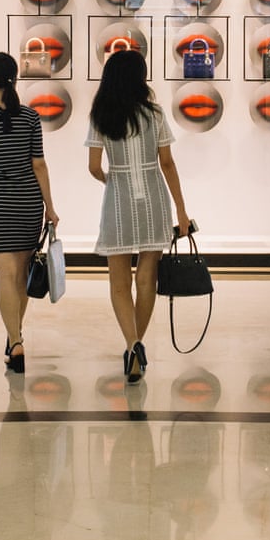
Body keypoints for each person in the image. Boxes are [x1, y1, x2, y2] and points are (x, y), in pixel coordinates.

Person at [86, 49, 191, 383]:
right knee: (147, 280)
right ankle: (136, 348)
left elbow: (93, 167)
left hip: (117, 203)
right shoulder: (155, 114)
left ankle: (132, 344)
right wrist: (182, 210)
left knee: (119, 284)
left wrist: (111, 180)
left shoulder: (100, 114)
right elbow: (168, 164)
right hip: (154, 201)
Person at [0, 52, 59, 373]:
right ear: (14, 80)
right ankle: (14, 336)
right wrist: (50, 207)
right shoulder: (30, 118)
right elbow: (40, 165)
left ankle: (15, 341)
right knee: (21, 275)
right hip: (27, 202)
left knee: (5, 275)